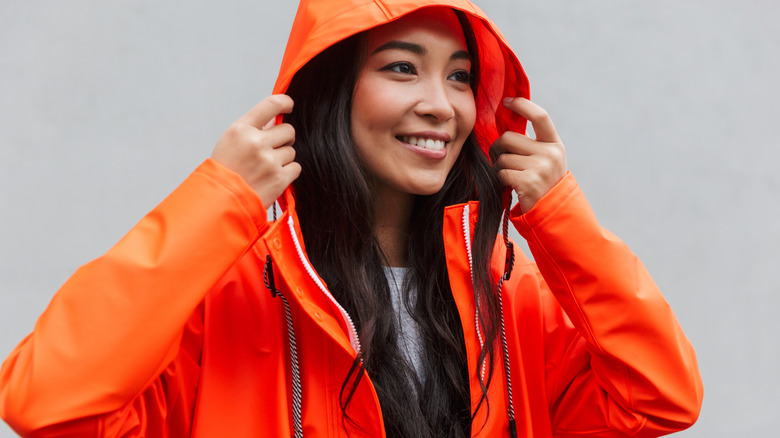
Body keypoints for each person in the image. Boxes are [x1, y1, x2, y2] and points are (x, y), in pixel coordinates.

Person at [0, 0, 703, 436]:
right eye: (402, 68)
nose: (442, 104)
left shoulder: (510, 295)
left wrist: (561, 218)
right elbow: (49, 403)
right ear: (329, 86)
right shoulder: (230, 294)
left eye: (460, 76)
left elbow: (661, 398)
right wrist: (222, 197)